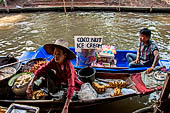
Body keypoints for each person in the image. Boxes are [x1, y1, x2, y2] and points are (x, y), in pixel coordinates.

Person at [26, 39, 83, 113]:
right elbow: (41, 69)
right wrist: (30, 84)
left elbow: (71, 86)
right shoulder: (53, 61)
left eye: (58, 54)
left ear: (64, 55)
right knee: (46, 71)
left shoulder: (69, 67)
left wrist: (66, 107)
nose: (56, 56)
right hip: (59, 80)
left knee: (68, 95)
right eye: (55, 53)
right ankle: (53, 90)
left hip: (70, 84)